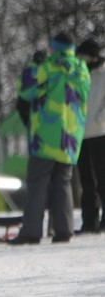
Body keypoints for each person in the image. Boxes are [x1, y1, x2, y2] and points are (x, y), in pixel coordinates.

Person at [11, 32, 90, 245]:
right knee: (63, 183)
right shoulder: (81, 70)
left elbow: (24, 89)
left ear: (55, 47)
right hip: (70, 139)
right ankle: (63, 230)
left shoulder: (48, 67)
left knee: (38, 183)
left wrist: (34, 64)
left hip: (45, 136)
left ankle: (31, 231)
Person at [75, 38, 105, 234]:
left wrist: (100, 120)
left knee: (102, 177)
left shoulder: (103, 75)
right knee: (86, 180)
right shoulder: (79, 75)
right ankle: (89, 220)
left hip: (100, 132)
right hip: (80, 134)